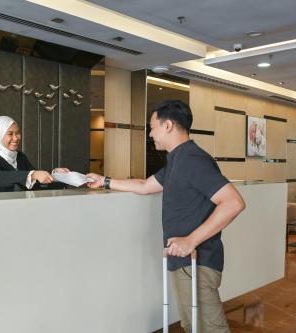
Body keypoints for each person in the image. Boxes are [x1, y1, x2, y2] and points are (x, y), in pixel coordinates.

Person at [86, 100, 245, 333]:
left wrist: (190, 240)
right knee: (193, 326)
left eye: (152, 127)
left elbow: (233, 203)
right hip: (184, 261)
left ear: (168, 125)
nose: (151, 134)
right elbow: (145, 185)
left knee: (211, 329)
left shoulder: (192, 159)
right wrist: (104, 181)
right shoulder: (177, 159)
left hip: (197, 261)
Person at [0, 116, 68, 193]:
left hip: (23, 206)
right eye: (10, 134)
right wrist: (32, 175)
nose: (15, 138)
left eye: (17, 133)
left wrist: (55, 174)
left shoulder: (20, 156)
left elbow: (35, 179)